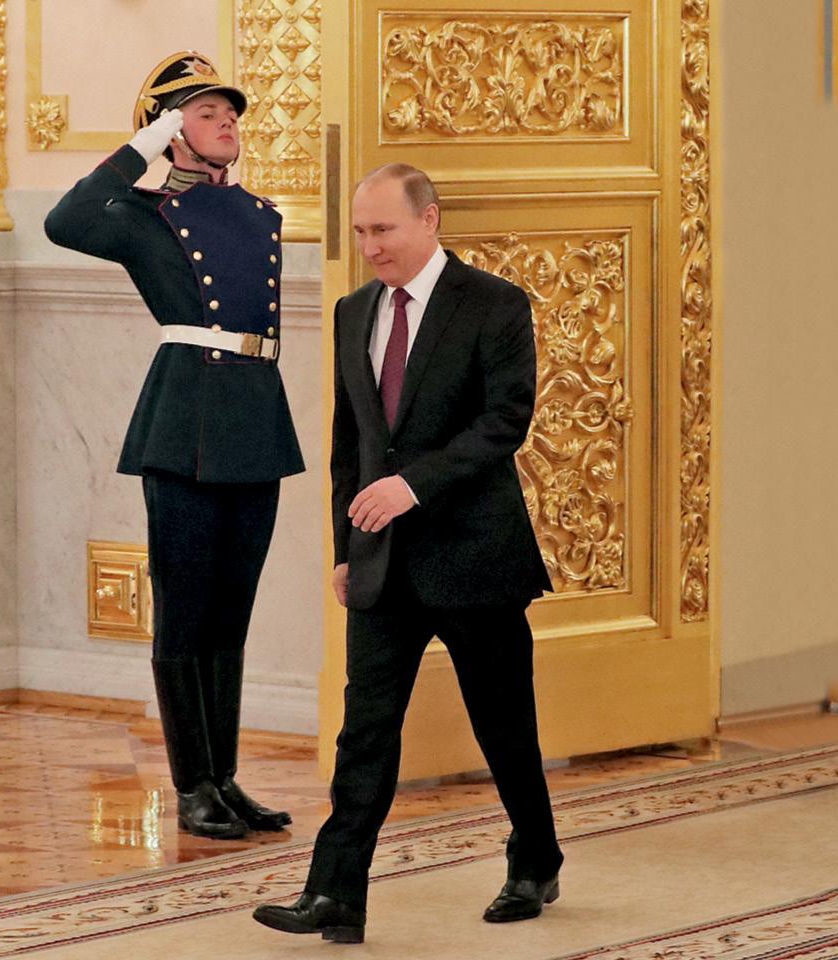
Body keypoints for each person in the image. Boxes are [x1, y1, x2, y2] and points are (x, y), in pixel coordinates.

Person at [252, 164, 563, 942]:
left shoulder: (495, 304)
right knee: (363, 730)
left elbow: (504, 423)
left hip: (475, 556)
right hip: (382, 562)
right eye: (360, 232)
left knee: (503, 724)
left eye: (383, 229)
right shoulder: (354, 310)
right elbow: (350, 446)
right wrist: (345, 546)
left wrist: (411, 487)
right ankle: (334, 892)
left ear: (430, 219)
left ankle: (535, 859)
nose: (370, 246)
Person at [44, 52, 304, 840]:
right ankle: (192, 786)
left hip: (254, 416)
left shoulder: (260, 214)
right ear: (169, 131)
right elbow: (65, 221)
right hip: (185, 421)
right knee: (185, 616)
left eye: (230, 113)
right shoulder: (146, 216)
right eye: (204, 113)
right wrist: (143, 147)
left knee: (231, 617)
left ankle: (224, 778)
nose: (227, 122)